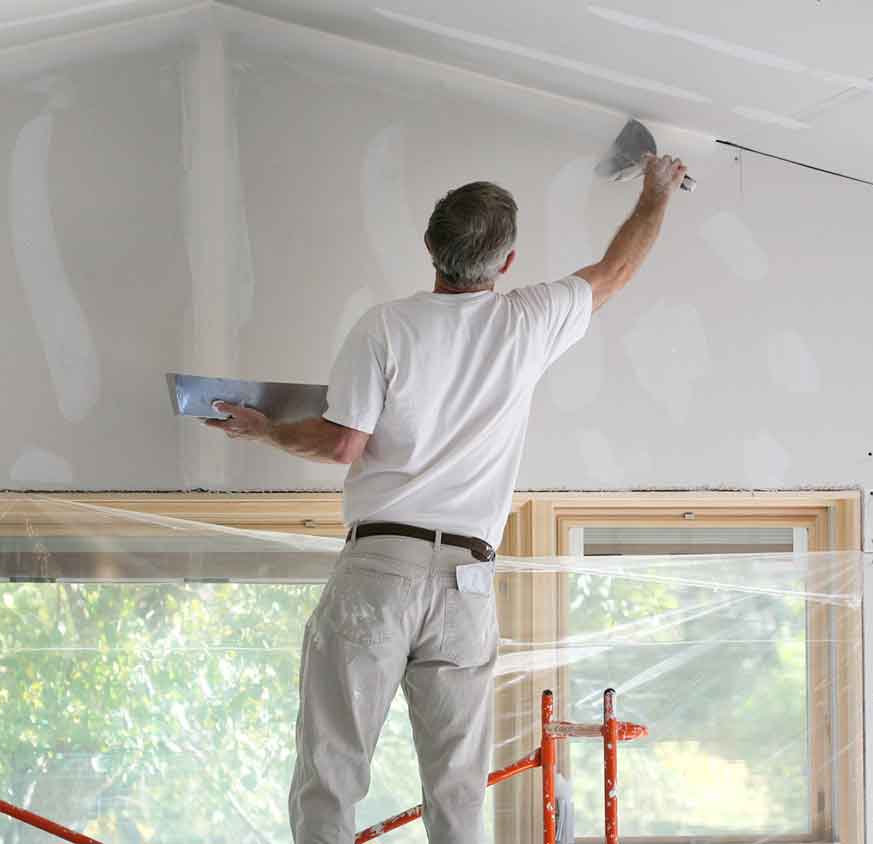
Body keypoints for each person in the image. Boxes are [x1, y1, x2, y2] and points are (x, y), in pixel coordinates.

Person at [205, 153, 688, 843]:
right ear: (508, 260)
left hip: (380, 569)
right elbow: (616, 270)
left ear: (431, 247)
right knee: (458, 787)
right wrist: (657, 190)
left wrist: (266, 431)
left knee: (332, 770)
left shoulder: (385, 327)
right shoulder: (529, 320)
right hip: (466, 580)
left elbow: (342, 445)